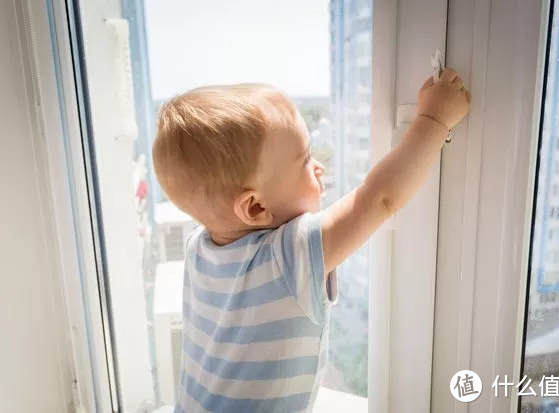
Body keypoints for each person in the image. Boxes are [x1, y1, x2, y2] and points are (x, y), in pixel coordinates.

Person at [152, 68, 471, 413]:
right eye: (305, 159)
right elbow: (380, 199)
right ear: (255, 206)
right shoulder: (289, 257)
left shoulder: (199, 248)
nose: (319, 167)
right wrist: (434, 120)